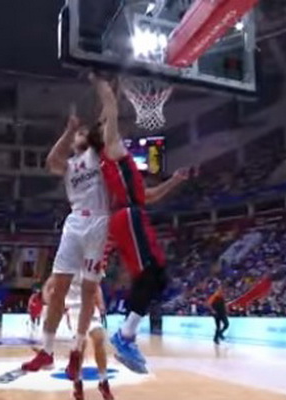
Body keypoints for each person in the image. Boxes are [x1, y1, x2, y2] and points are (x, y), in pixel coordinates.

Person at [90, 74, 189, 373]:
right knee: (151, 274)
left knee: (157, 277)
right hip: (128, 217)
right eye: (107, 126)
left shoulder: (117, 161)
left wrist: (175, 181)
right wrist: (100, 81)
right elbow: (109, 109)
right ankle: (124, 336)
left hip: (133, 216)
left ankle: (127, 333)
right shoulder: (112, 150)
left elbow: (150, 195)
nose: (114, 127)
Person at [21, 103, 110, 378]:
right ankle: (47, 352)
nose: (77, 137)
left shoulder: (97, 155)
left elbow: (106, 121)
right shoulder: (69, 166)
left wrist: (110, 92)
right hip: (75, 222)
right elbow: (51, 161)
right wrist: (69, 131)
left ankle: (76, 350)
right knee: (59, 287)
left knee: (88, 291)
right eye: (76, 135)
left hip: (98, 221)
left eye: (81, 133)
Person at [64, 273, 114, 400]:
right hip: (74, 309)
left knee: (99, 337)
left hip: (91, 307)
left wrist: (101, 304)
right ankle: (78, 383)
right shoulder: (64, 266)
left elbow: (96, 286)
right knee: (81, 344)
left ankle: (103, 381)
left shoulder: (92, 264)